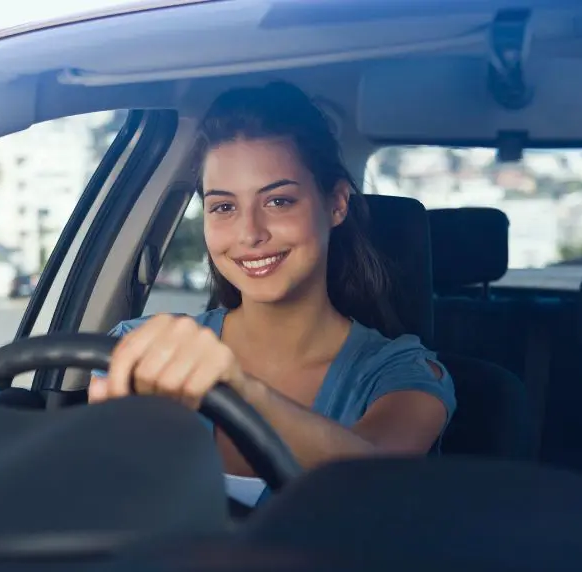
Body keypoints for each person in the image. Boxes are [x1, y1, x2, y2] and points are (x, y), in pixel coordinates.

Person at [89, 81, 456, 508]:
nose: (250, 234)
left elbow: (374, 480)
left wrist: (239, 392)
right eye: (224, 207)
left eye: (279, 201)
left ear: (337, 203)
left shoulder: (401, 373)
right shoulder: (139, 348)